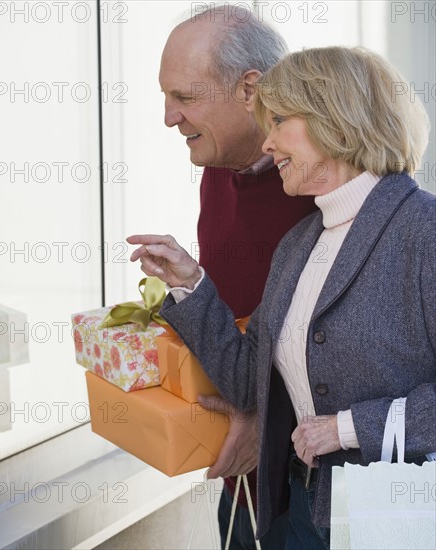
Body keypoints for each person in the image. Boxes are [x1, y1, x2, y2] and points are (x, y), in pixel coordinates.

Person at [128, 46, 435, 549]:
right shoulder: (300, 243)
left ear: (335, 119)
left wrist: (348, 428)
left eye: (280, 122)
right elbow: (251, 383)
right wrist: (189, 284)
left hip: (395, 519)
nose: (268, 144)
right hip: (303, 514)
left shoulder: (424, 231)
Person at [159, 5, 317, 549]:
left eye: (184, 97)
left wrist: (265, 418)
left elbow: (358, 350)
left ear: (250, 89)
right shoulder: (217, 172)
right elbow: (238, 317)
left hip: (311, 476)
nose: (168, 117)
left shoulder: (325, 184)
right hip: (241, 470)